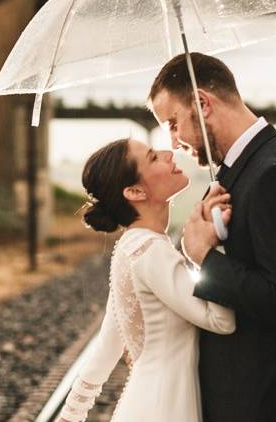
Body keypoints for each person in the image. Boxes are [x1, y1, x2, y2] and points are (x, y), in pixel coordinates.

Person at [149, 52, 276, 422]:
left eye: (173, 123)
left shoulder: (275, 173)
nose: (173, 142)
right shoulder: (243, 170)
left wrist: (203, 257)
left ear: (202, 104)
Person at [56, 138, 236, 422]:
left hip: (145, 403)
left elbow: (108, 344)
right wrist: (211, 247)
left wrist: (70, 415)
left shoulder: (131, 246)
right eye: (153, 157)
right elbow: (221, 321)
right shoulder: (152, 252)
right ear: (135, 191)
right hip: (167, 408)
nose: (168, 153)